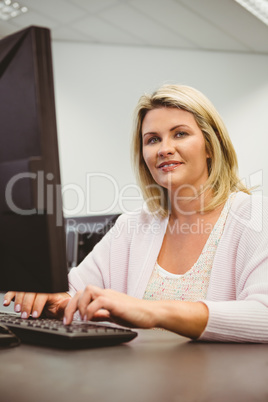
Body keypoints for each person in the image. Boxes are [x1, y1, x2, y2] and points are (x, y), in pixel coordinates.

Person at [4, 84, 268, 342]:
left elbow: (263, 314)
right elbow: (74, 291)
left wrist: (153, 311)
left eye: (180, 134)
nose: (164, 149)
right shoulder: (133, 225)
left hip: (223, 383)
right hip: (140, 382)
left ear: (210, 146)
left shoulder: (254, 214)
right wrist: (51, 298)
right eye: (152, 139)